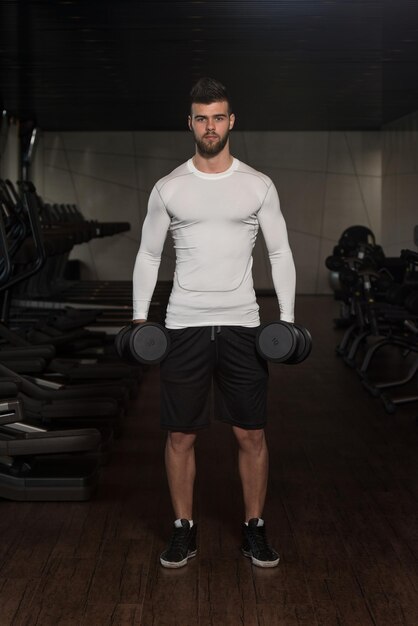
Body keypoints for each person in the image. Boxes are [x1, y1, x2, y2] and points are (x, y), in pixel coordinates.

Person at [132, 77, 296, 569]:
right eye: (201, 118)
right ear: (190, 123)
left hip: (243, 324)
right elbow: (147, 254)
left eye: (218, 116)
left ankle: (254, 528)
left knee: (251, 434)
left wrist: (287, 320)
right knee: (180, 436)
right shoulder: (169, 188)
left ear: (231, 121)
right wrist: (139, 318)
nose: (210, 126)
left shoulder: (258, 184)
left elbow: (281, 251)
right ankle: (183, 528)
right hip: (183, 325)